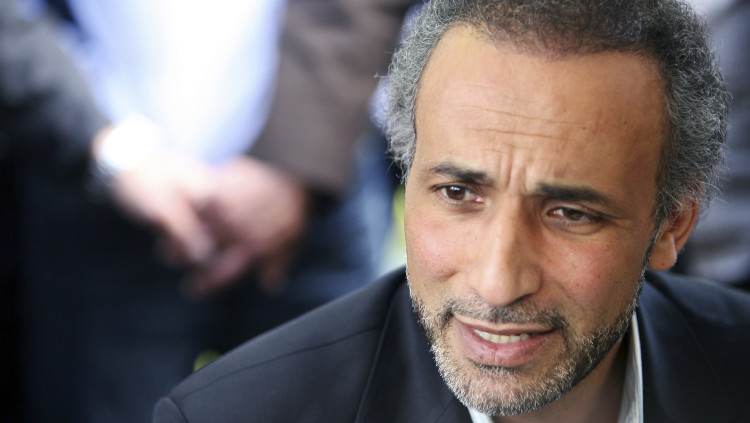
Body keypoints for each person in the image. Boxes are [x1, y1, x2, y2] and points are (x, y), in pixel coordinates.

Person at [154, 0, 750, 422]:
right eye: (459, 194)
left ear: (673, 223)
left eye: (569, 213)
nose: (497, 283)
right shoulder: (230, 414)